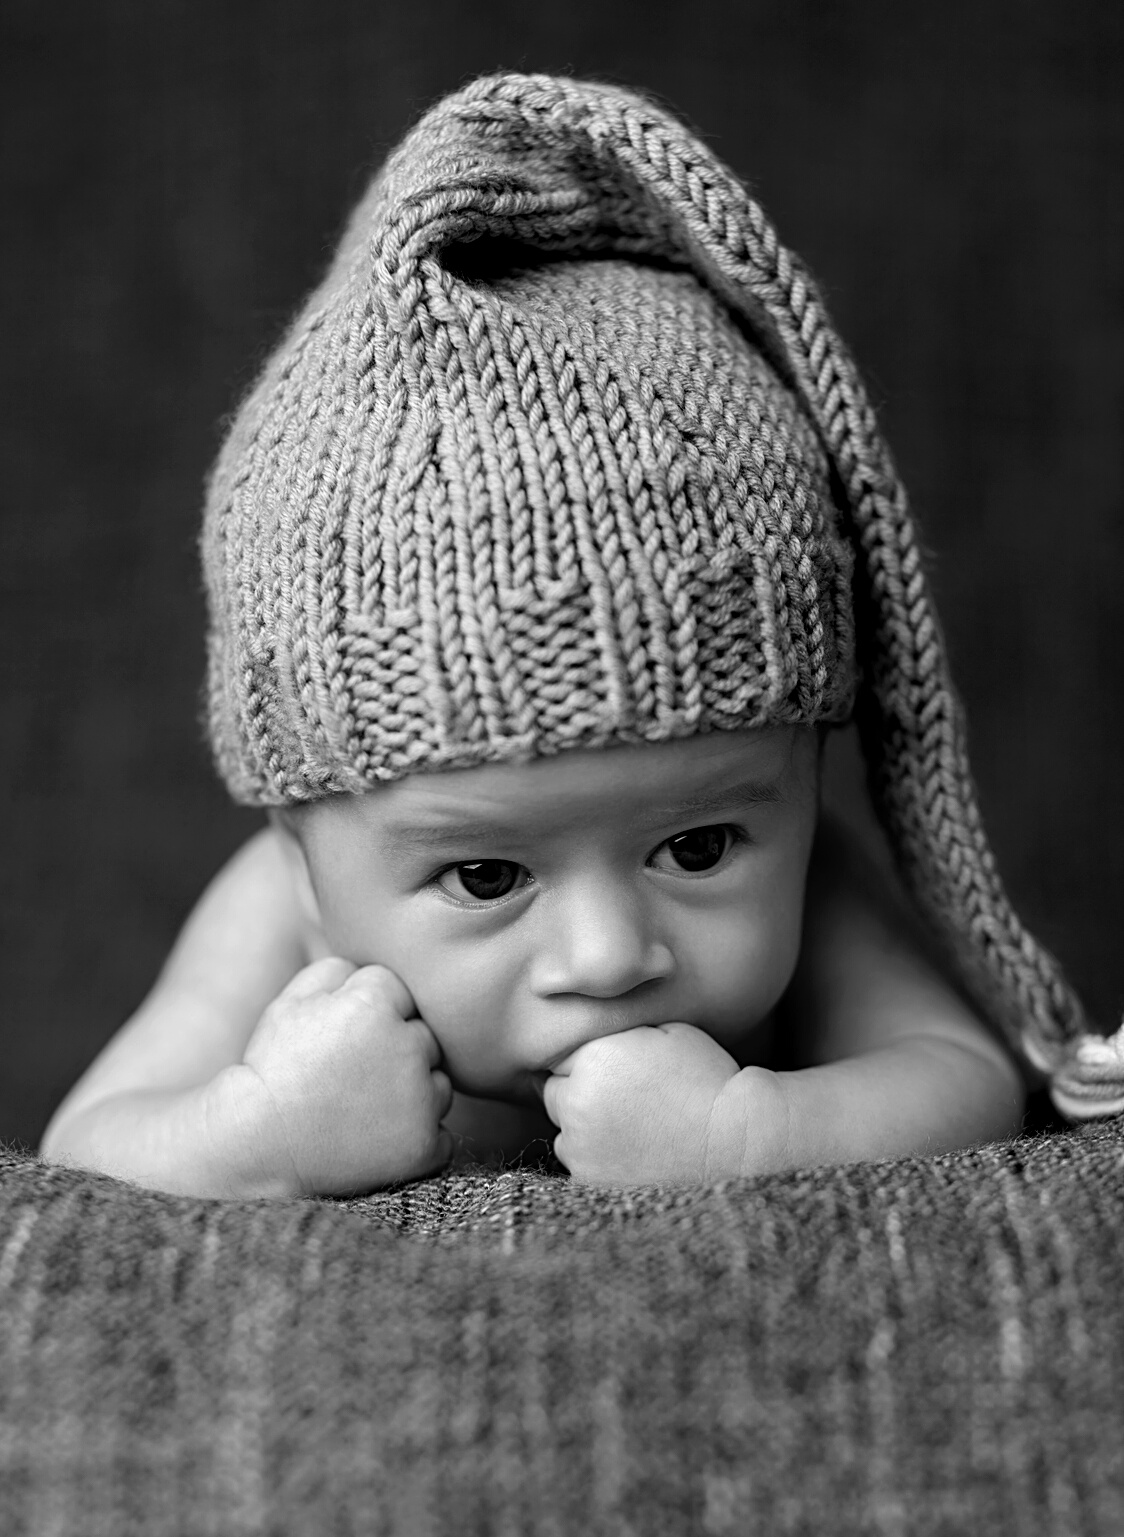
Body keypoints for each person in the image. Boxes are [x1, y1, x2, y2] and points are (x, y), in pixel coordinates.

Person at [40, 74, 1124, 1199]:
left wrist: (748, 1134)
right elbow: (90, 1144)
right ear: (304, 854)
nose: (608, 958)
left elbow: (963, 1080)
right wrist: (258, 1134)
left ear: (803, 777)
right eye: (484, 874)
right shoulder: (275, 911)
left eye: (697, 850)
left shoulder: (816, 883)